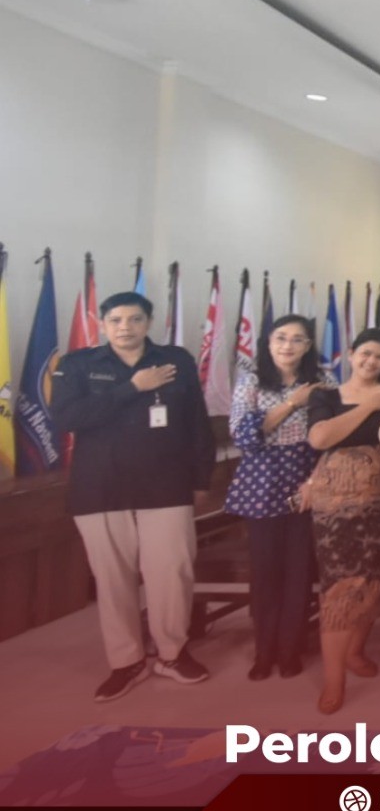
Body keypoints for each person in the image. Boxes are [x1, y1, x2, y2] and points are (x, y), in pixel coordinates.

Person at [51, 292, 215, 702]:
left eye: (135, 319)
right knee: (113, 579)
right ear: (102, 324)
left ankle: (172, 654)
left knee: (173, 573)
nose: (125, 327)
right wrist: (132, 388)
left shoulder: (175, 360)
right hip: (100, 488)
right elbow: (67, 418)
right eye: (116, 320)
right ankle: (126, 661)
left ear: (148, 322)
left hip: (167, 485)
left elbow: (196, 423)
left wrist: (201, 480)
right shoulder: (78, 364)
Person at [225, 314, 333, 682]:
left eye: (297, 339)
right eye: (281, 338)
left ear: (308, 345)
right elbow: (244, 437)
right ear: (268, 343)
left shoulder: (323, 383)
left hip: (308, 480)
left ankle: (290, 649)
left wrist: (314, 482)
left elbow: (332, 440)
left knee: (299, 572)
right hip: (263, 483)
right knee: (266, 571)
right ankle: (264, 651)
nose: (288, 345)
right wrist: (291, 404)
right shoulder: (251, 382)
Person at [305, 328, 380, 713]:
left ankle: (356, 651)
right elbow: (320, 438)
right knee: (341, 586)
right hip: (335, 505)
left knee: (375, 580)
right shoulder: (326, 396)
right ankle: (334, 680)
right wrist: (367, 406)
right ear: (351, 353)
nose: (371, 361)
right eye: (366, 353)